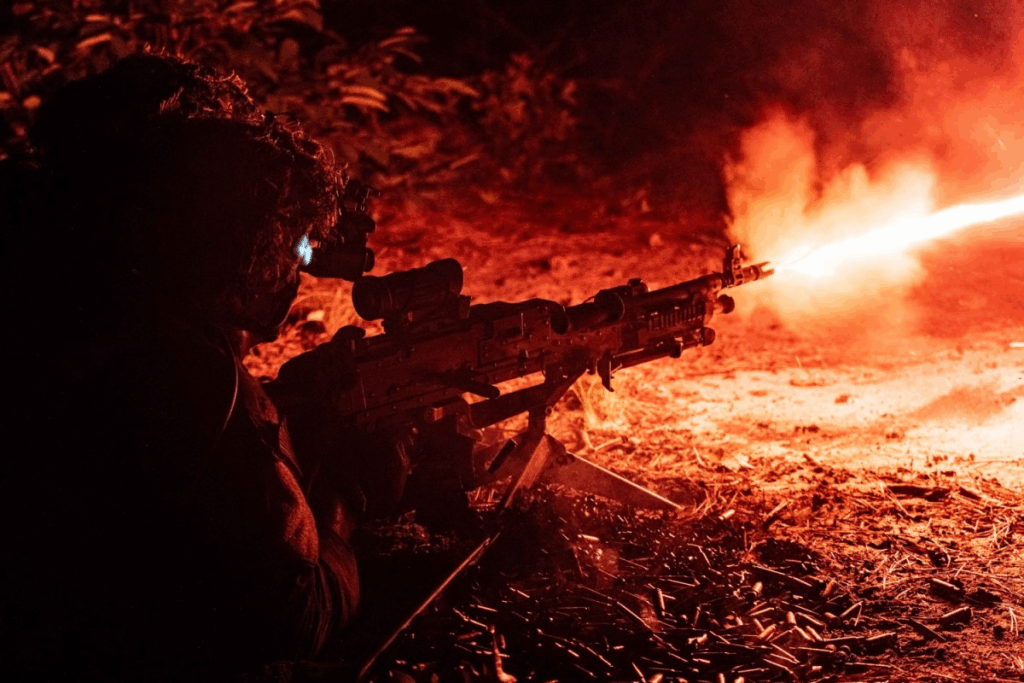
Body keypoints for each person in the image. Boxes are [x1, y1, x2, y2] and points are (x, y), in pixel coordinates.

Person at [0, 54, 389, 680]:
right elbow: (294, 614)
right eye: (291, 245)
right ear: (236, 252)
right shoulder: (179, 369)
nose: (299, 268)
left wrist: (289, 419)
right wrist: (346, 493)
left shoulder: (50, 272)